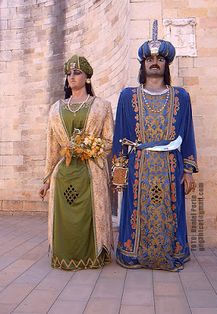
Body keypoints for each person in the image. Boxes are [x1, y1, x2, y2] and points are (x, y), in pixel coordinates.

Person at [112, 20, 198, 271]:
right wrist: (119, 172)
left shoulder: (181, 96)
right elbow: (121, 136)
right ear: (142, 64)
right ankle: (133, 253)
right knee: (135, 210)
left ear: (166, 64)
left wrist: (189, 169)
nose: (155, 62)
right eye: (150, 59)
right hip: (139, 164)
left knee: (170, 210)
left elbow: (187, 133)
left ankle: (171, 251)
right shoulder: (127, 96)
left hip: (171, 164)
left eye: (160, 58)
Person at [39, 55, 114, 270]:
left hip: (91, 172)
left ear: (87, 77)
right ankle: (64, 256)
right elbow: (52, 147)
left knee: (89, 217)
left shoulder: (102, 106)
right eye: (69, 73)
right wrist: (46, 180)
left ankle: (92, 255)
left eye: (77, 72)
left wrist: (89, 146)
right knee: (65, 219)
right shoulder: (55, 109)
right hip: (64, 172)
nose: (72, 77)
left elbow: (108, 140)